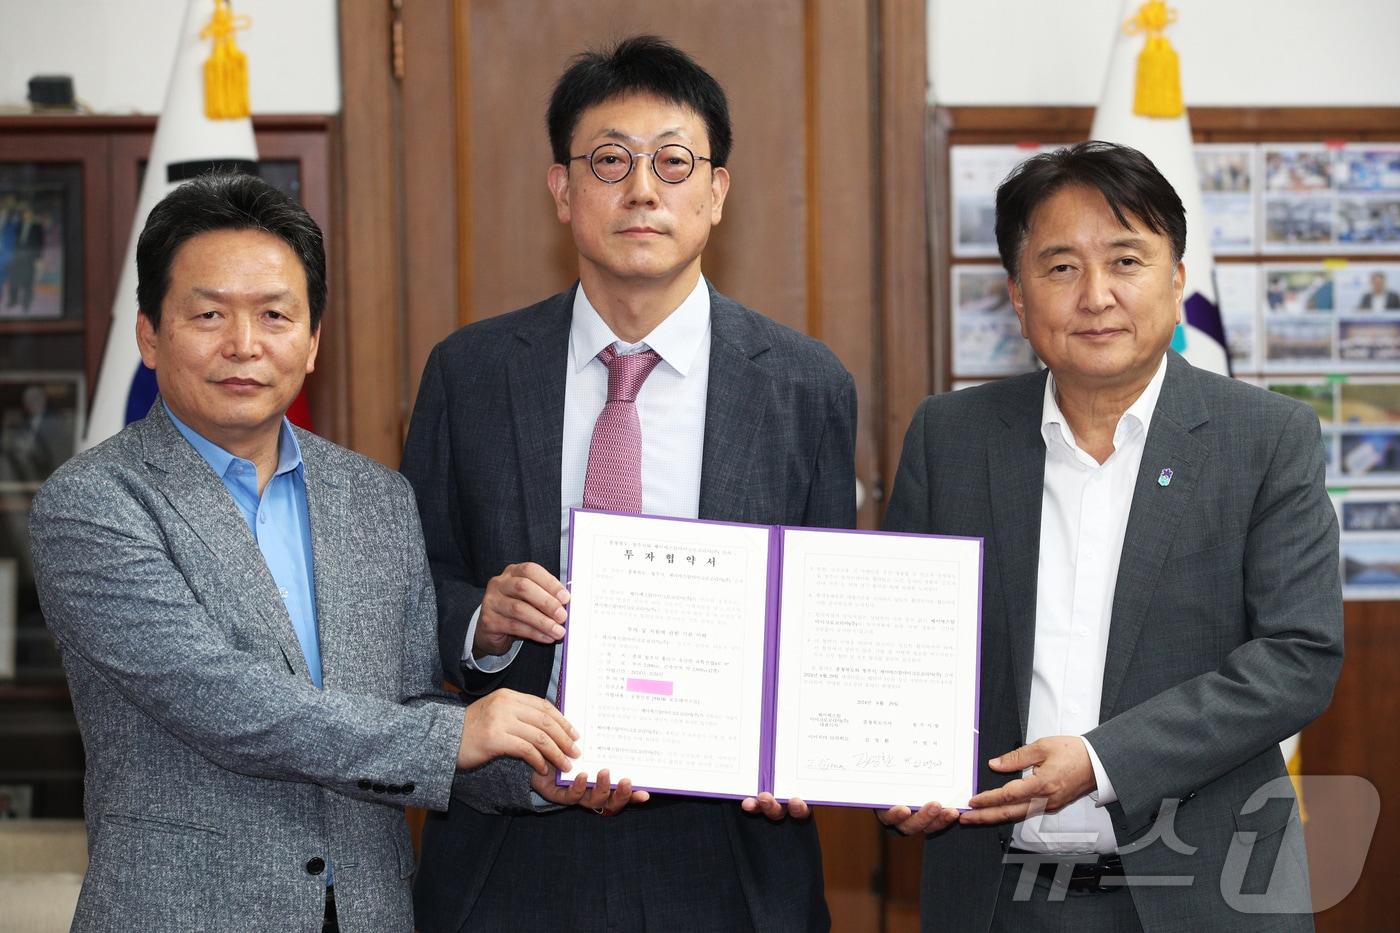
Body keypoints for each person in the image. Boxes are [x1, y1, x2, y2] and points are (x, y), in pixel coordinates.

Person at [29, 173, 580, 932]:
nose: (244, 345)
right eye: (209, 314)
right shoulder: (93, 503)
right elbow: (225, 702)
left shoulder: (377, 498)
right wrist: (458, 733)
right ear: (149, 335)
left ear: (314, 340)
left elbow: (407, 708)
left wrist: (536, 772)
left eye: (275, 315)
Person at [402, 35, 855, 932]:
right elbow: (411, 593)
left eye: (673, 162)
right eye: (610, 161)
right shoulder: (471, 371)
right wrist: (482, 619)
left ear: (716, 192)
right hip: (512, 848)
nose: (643, 190)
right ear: (562, 190)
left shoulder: (807, 387)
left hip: (729, 859)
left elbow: (824, 615)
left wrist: (811, 738)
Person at [881, 141, 1342, 931]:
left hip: (1207, 893)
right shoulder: (950, 437)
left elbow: (1298, 656)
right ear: (1017, 295)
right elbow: (897, 642)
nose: (1096, 295)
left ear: (1177, 279)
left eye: (1126, 261)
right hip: (995, 895)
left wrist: (1101, 761)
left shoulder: (1265, 439)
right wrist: (891, 768)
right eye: (1061, 267)